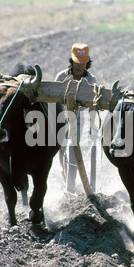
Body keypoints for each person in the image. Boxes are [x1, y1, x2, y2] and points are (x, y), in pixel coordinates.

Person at [55, 43, 97, 194]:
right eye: (77, 63)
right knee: (61, 151)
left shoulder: (91, 80)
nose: (79, 67)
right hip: (61, 118)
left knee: (72, 150)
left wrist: (94, 128)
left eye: (83, 64)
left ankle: (70, 189)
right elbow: (54, 100)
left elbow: (93, 105)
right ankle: (65, 177)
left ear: (87, 63)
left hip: (78, 120)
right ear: (72, 62)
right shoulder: (61, 76)